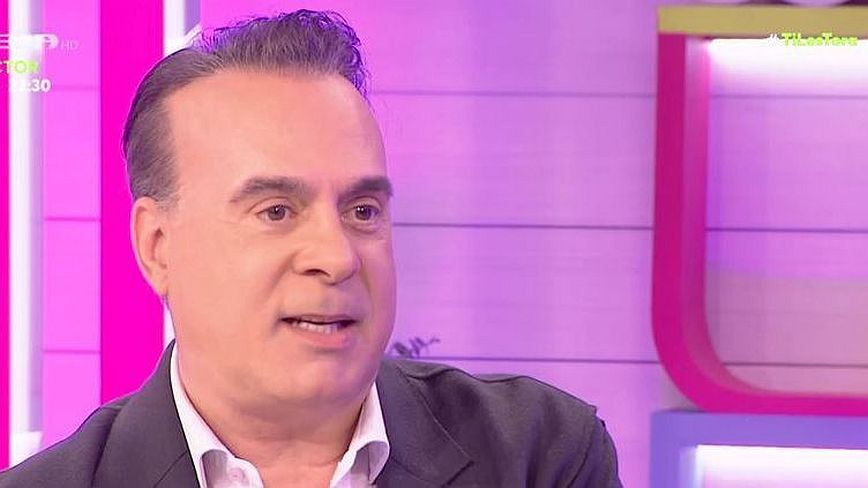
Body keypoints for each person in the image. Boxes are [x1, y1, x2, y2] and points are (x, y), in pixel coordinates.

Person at [0, 10, 621, 487]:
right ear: (158, 247)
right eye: (276, 211)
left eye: (362, 211)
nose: (338, 256)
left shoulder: (540, 453)